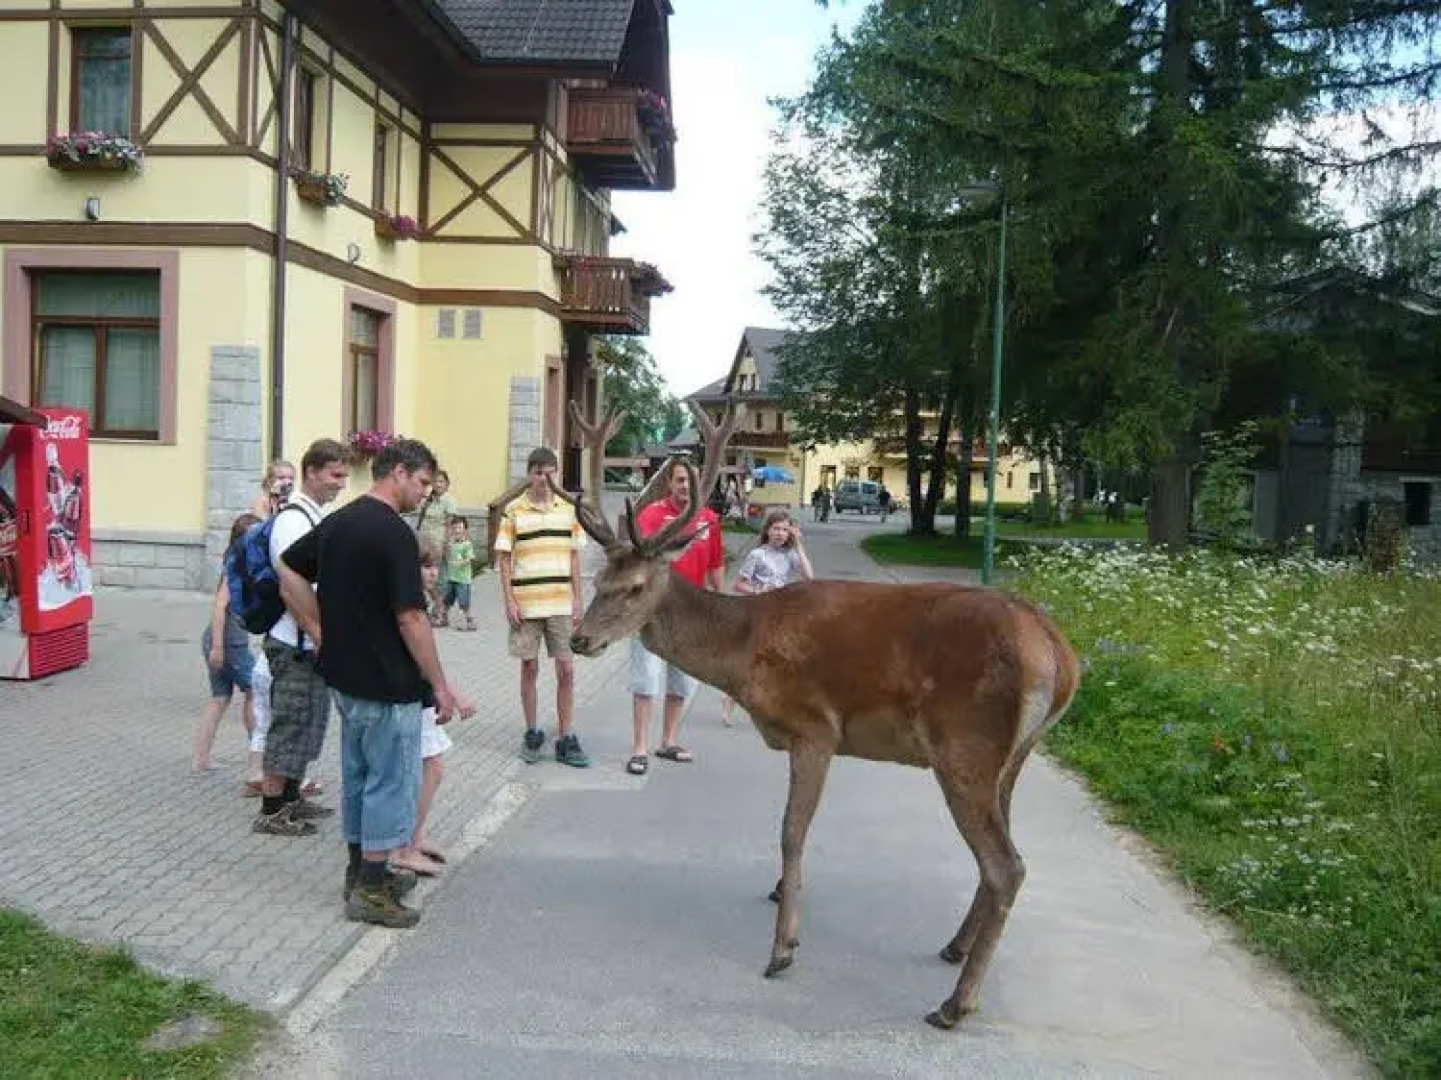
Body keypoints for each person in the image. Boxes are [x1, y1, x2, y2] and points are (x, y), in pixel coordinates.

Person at [277, 438, 475, 928]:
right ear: (400, 473)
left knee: (361, 779)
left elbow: (288, 570)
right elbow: (411, 617)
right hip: (388, 684)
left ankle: (361, 872)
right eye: (423, 483)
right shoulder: (393, 534)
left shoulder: (340, 520)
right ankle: (370, 889)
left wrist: (319, 630)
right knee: (390, 783)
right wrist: (441, 687)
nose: (425, 494)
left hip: (346, 680)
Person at [254, 438, 348, 837]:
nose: (341, 483)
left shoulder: (312, 516)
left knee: (309, 722)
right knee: (290, 723)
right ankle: (272, 809)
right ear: (312, 472)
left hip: (306, 641)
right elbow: (292, 588)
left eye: (344, 475)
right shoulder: (293, 520)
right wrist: (317, 634)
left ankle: (292, 798)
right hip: (294, 644)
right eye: (335, 475)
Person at [626, 461, 724, 776]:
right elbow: (635, 559)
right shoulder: (652, 515)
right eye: (681, 480)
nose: (686, 486)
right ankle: (640, 748)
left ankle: (668, 741)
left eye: (691, 481)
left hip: (691, 617)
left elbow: (715, 564)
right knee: (646, 683)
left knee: (681, 685)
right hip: (653, 614)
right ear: (670, 483)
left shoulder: (708, 520)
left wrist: (720, 602)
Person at [494, 447, 590, 768]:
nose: (544, 479)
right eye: (538, 472)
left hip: (560, 602)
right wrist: (508, 600)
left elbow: (575, 556)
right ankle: (532, 731)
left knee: (566, 668)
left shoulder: (568, 510)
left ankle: (566, 736)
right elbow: (504, 559)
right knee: (529, 668)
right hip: (526, 604)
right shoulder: (513, 511)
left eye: (550, 473)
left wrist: (578, 599)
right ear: (529, 474)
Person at [392, 548, 454, 877]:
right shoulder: (409, 606)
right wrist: (449, 691)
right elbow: (420, 656)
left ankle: (414, 836)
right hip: (414, 697)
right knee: (430, 770)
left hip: (421, 695)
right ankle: (407, 846)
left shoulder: (421, 602)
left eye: (435, 566)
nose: (432, 572)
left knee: (425, 770)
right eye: (425, 565)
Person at [720, 509, 815, 726]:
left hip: (781, 615)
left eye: (784, 530)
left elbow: (809, 577)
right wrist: (757, 591)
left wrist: (799, 545)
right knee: (754, 663)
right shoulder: (757, 555)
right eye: (776, 529)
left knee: (782, 662)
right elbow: (738, 584)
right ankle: (731, 697)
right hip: (759, 613)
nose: (780, 534)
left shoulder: (788, 555)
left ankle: (775, 708)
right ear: (767, 531)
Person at [194, 514, 260, 772]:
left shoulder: (238, 562)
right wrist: (219, 648)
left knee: (219, 698)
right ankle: (259, 755)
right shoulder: (236, 567)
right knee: (255, 692)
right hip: (229, 643)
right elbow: (220, 607)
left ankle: (201, 759)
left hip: (219, 639)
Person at [411, 469, 457, 625]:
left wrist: (445, 545)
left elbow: (451, 525)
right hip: (424, 543)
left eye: (441, 481)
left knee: (433, 580)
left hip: (438, 544)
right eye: (435, 481)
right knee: (422, 579)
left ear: (447, 484)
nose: (437, 484)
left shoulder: (448, 500)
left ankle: (440, 610)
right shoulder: (429, 499)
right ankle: (437, 608)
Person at [441, 516, 476, 631]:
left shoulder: (467, 544)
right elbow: (447, 555)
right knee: (447, 600)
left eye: (460, 528)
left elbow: (470, 558)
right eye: (454, 528)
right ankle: (444, 618)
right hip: (452, 578)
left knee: (463, 602)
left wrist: (461, 563)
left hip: (463, 580)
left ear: (465, 529)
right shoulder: (451, 544)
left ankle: (469, 622)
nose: (457, 530)